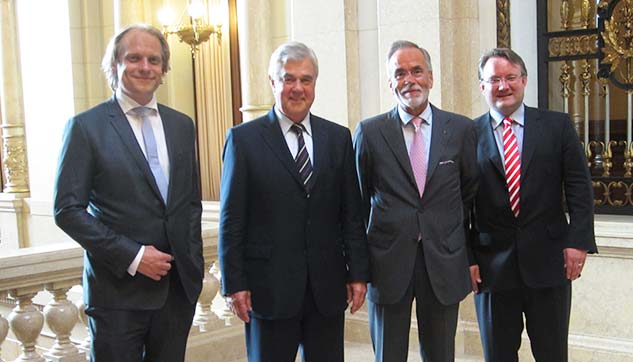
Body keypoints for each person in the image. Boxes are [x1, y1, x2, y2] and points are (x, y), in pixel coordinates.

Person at [54, 24, 203, 362]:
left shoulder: (182, 125)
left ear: (164, 70)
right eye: (133, 58)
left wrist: (191, 261)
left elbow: (189, 204)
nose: (144, 67)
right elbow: (67, 209)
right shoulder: (85, 127)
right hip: (117, 294)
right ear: (115, 66)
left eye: (153, 59)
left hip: (176, 291)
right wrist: (134, 256)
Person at [218, 41, 369, 362]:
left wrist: (358, 273)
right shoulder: (243, 140)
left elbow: (351, 214)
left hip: (326, 288)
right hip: (268, 289)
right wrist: (234, 283)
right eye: (288, 79)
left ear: (315, 83)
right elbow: (232, 220)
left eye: (306, 79)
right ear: (272, 83)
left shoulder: (338, 138)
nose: (298, 88)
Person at [354, 40, 479, 362]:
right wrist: (356, 268)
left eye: (417, 70)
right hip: (387, 262)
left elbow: (469, 193)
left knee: (440, 354)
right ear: (390, 82)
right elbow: (357, 200)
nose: (410, 79)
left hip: (443, 258)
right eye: (400, 73)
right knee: (389, 354)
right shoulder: (369, 132)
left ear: (431, 77)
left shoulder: (462, 129)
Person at [469, 47, 597, 362]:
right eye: (494, 79)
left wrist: (578, 242)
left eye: (510, 77)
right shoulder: (466, 135)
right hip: (491, 268)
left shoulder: (557, 126)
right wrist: (466, 257)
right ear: (482, 86)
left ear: (524, 80)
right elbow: (459, 203)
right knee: (498, 355)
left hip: (549, 260)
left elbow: (579, 187)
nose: (503, 86)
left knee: (552, 353)